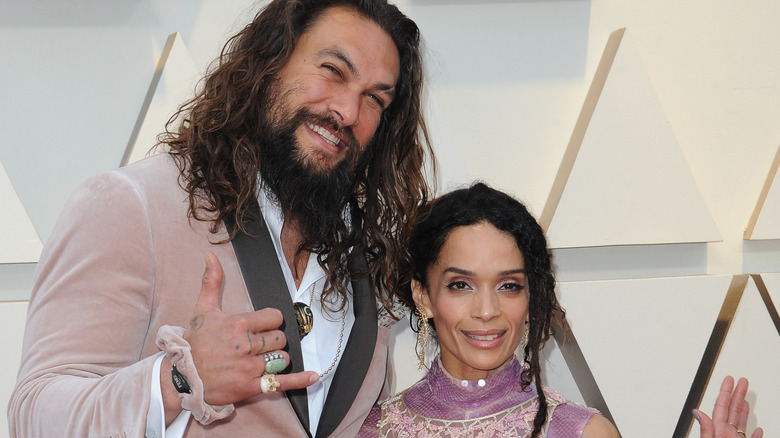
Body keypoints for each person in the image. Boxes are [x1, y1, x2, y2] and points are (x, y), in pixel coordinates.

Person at [8, 0, 432, 437]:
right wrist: (177, 380)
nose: (347, 111)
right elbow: (35, 415)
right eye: (332, 70)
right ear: (270, 61)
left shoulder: (368, 256)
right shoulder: (132, 204)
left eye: (375, 99)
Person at [358, 183, 762, 438]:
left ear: (532, 299)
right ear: (423, 296)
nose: (487, 310)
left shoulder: (581, 431)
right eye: (460, 285)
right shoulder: (371, 429)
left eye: (509, 286)